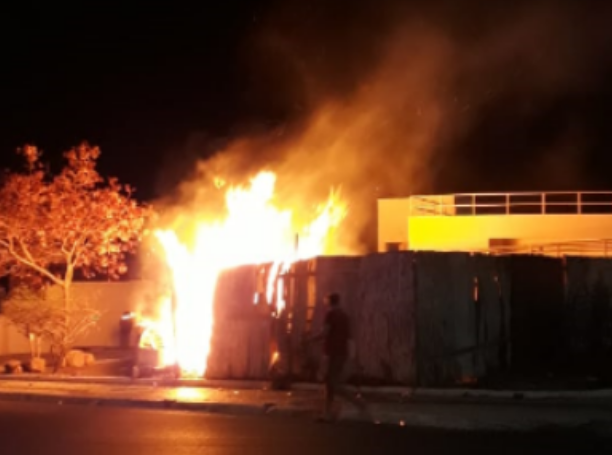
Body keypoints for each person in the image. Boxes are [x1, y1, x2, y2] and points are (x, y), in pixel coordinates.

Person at [312, 292, 369, 422]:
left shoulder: (330, 314)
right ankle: (327, 413)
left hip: (332, 352)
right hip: (341, 352)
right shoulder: (344, 316)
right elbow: (349, 335)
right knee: (329, 383)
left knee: (333, 384)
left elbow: (325, 333)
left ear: (329, 302)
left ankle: (358, 403)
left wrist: (310, 340)